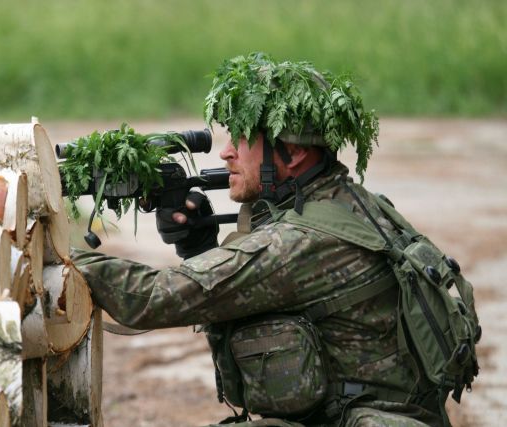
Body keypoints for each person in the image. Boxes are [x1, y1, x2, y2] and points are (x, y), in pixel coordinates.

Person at [72, 53, 474, 426]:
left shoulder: (299, 241)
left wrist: (62, 256)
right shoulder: (353, 203)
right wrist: (199, 247)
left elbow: (154, 297)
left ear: (293, 153)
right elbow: (245, 293)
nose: (226, 152)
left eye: (241, 138)